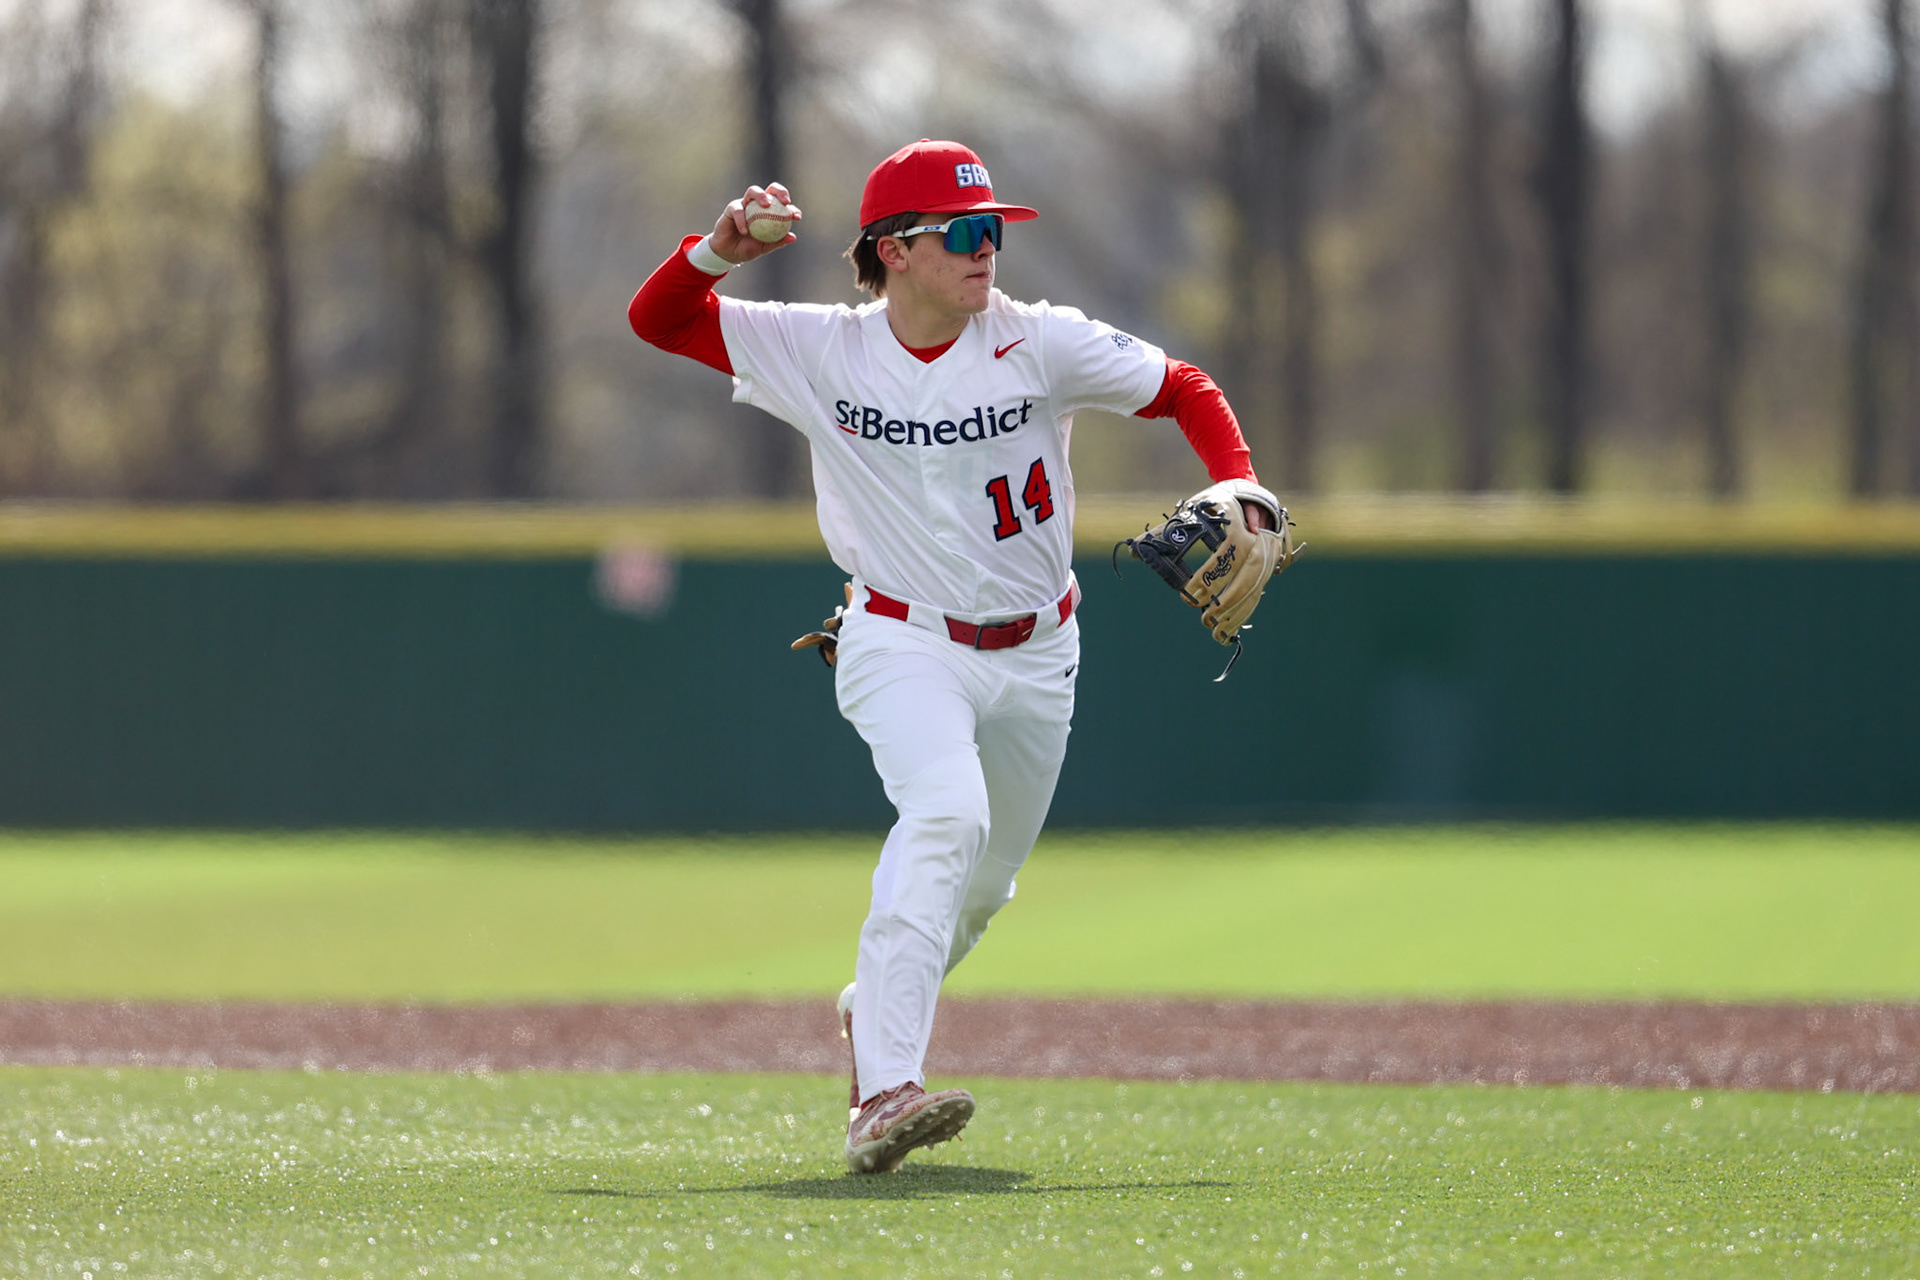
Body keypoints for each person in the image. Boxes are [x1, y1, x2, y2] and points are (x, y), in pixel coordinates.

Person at [628, 139, 1281, 1174]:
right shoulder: (822, 350)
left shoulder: (1039, 341)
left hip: (1039, 649)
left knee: (982, 888)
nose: (990, 252)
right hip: (898, 635)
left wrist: (1237, 480)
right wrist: (716, 249)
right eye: (967, 234)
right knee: (946, 814)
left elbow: (1185, 387)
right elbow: (657, 320)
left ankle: (873, 1014)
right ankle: (883, 1090)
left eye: (997, 233)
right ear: (892, 249)